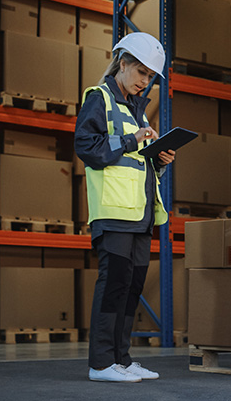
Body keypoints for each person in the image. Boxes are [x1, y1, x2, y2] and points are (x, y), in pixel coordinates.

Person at [75, 32, 175, 383]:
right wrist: (133, 139)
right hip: (114, 213)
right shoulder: (99, 98)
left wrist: (158, 160)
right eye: (141, 72)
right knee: (113, 285)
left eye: (150, 76)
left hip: (139, 215)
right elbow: (87, 147)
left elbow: (135, 163)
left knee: (131, 287)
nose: (145, 81)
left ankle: (121, 358)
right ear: (122, 63)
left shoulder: (137, 110)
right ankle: (101, 363)